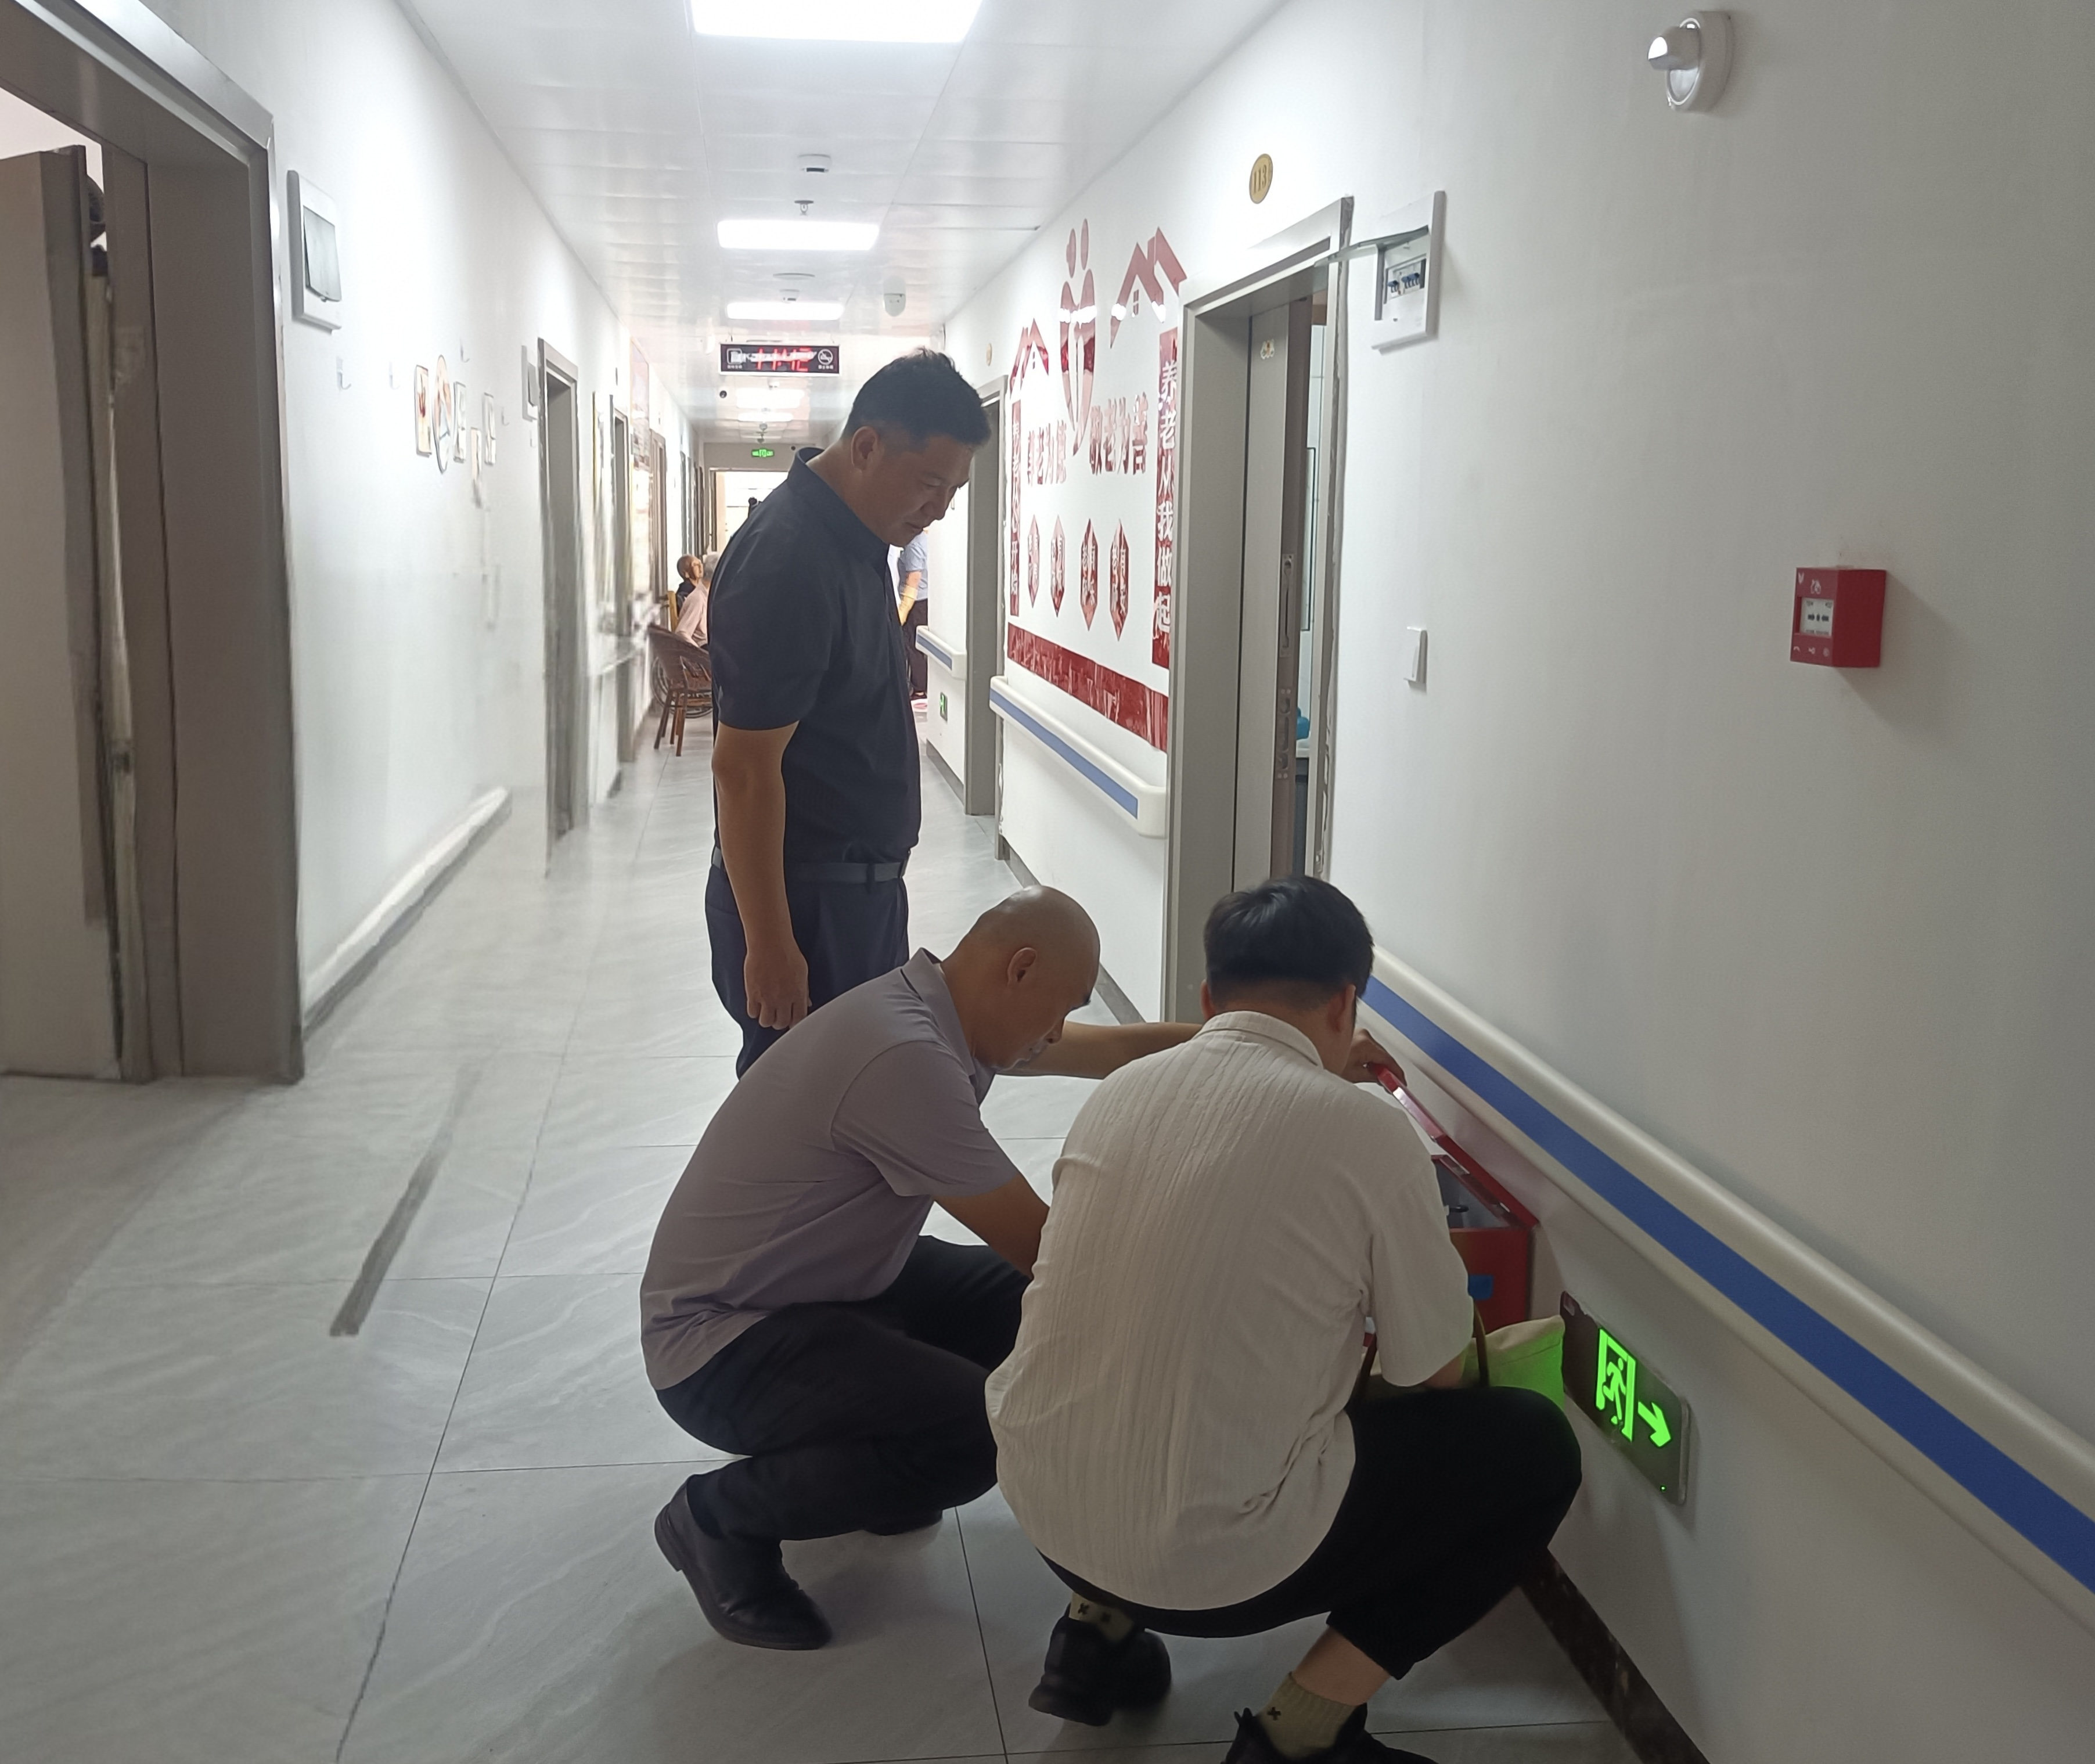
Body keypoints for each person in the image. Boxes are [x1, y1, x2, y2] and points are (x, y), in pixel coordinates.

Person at [987, 876, 1583, 1764]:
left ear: (1207, 998)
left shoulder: (1119, 1094)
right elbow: (1435, 1371)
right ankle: (1302, 1732)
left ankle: (1091, 1638)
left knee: (1157, 1337)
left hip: (1043, 1511)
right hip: (1218, 1574)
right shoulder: (1368, 1134)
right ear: (1345, 1003)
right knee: (1533, 1449)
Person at [642, 887, 1197, 1651]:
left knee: (1027, 1307)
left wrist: (1289, 1044)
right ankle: (717, 1519)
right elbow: (1042, 1246)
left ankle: (872, 1468)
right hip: (721, 1343)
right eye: (1059, 1008)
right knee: (973, 1429)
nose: (1055, 1033)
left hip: (825, 1282)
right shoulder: (901, 1055)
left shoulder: (940, 1010)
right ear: (1020, 968)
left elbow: (1114, 1050)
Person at [706, 351, 988, 1074]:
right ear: (866, 446)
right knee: (800, 1108)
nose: (938, 509)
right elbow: (743, 770)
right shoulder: (790, 557)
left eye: (954, 490)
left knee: (848, 1096)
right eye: (929, 482)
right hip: (806, 905)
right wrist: (770, 943)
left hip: (852, 897)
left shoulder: (858, 539)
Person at [894, 530, 930, 698]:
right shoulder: (923, 539)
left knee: (913, 645)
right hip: (924, 600)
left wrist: (904, 609)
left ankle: (919, 689)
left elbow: (914, 578)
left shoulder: (914, 543)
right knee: (916, 645)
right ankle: (920, 686)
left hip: (916, 602)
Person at [674, 549, 717, 642]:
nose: (700, 566)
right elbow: (682, 633)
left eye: (700, 563)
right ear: (686, 574)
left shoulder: (706, 593)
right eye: (695, 565)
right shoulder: (693, 595)